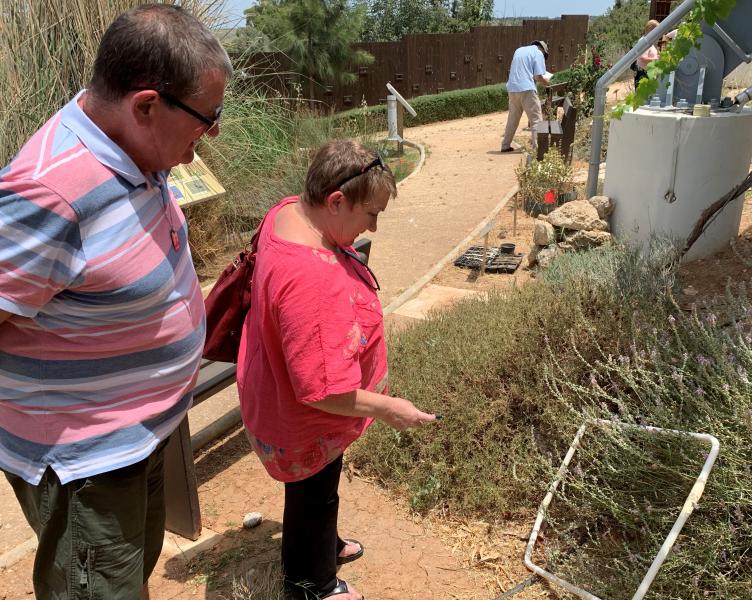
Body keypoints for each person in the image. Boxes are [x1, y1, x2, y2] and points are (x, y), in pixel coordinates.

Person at [0, 5, 231, 599]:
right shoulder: (49, 192)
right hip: (87, 467)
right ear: (147, 105)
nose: (213, 132)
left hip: (138, 437)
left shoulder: (135, 149)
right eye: (209, 117)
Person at [237, 140, 437, 600]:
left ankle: (322, 547)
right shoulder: (312, 278)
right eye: (370, 214)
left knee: (317, 493)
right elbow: (321, 391)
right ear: (335, 201)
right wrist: (389, 408)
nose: (374, 226)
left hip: (273, 391)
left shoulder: (289, 210)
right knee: (313, 495)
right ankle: (312, 583)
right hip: (302, 421)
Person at [500, 40, 552, 154]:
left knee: (513, 119)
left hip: (512, 88)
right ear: (542, 50)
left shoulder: (519, 50)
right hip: (527, 88)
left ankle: (505, 145)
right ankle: (537, 149)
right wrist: (547, 82)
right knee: (536, 119)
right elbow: (538, 77)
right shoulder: (538, 53)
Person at [633, 19, 660, 89]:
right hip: (643, 75)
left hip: (647, 74)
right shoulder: (643, 41)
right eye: (657, 31)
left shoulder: (648, 41)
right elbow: (642, 58)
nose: (658, 34)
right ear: (650, 30)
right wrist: (658, 59)